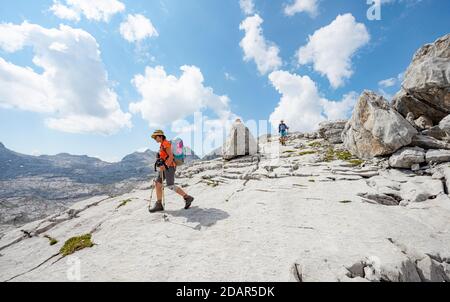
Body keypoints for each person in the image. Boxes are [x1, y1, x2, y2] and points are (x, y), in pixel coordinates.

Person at [149, 130, 194, 213]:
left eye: (156, 137)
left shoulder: (166, 143)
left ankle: (187, 197)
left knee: (170, 185)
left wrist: (165, 166)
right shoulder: (162, 145)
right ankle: (159, 204)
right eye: (154, 137)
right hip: (165, 167)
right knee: (158, 183)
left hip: (169, 167)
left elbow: (170, 156)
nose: (155, 139)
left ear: (160, 136)